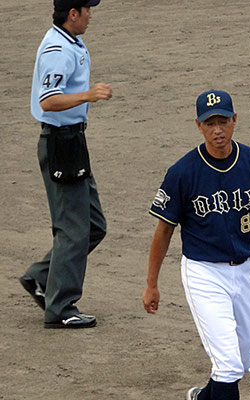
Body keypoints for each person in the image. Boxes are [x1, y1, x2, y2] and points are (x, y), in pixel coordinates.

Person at [143, 90, 250, 399]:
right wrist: (151, 284)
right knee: (228, 367)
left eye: (223, 121)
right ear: (198, 125)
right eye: (210, 123)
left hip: (245, 271)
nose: (217, 130)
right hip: (204, 274)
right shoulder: (182, 173)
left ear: (235, 120)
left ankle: (201, 397)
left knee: (241, 362)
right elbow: (163, 231)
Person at [19, 0, 112, 329]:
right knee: (73, 230)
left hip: (73, 141)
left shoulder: (70, 40)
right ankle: (60, 307)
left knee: (94, 225)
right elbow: (49, 99)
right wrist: (88, 95)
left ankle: (41, 276)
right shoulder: (58, 49)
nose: (91, 14)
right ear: (72, 13)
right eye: (87, 8)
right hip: (61, 144)